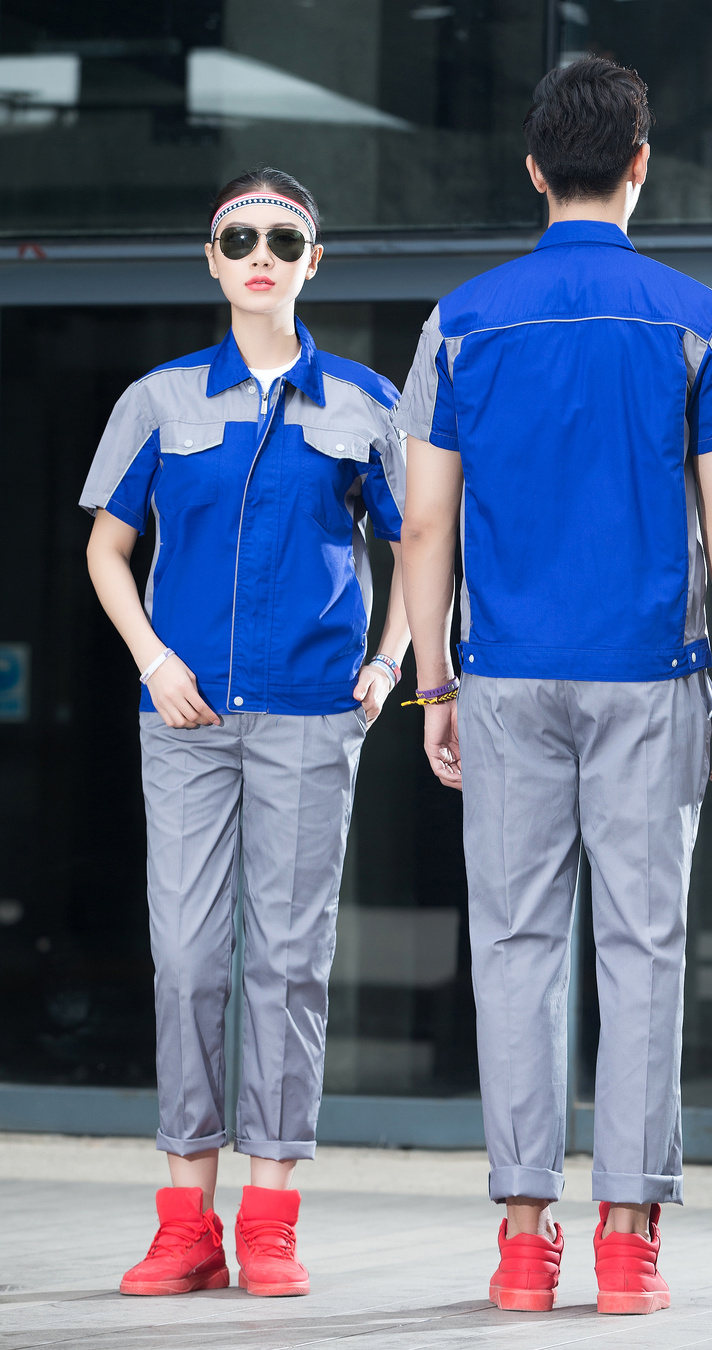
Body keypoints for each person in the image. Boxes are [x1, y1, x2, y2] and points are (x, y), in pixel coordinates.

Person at [398, 58, 712, 1316]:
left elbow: (423, 528)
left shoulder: (459, 323)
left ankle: (521, 1239)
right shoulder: (700, 319)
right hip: (650, 676)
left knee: (513, 945)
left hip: (504, 678)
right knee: (644, 945)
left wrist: (435, 686)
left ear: (533, 169)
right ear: (642, 165)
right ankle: (625, 1242)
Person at [80, 166, 408, 1298]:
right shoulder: (159, 400)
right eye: (239, 239)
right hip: (185, 717)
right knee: (185, 961)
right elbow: (106, 549)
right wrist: (153, 659)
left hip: (313, 713)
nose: (260, 256)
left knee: (286, 962)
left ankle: (269, 1218)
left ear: (314, 261)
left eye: (283, 239)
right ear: (211, 259)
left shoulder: (363, 402)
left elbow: (422, 546)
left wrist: (389, 665)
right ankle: (186, 1223)